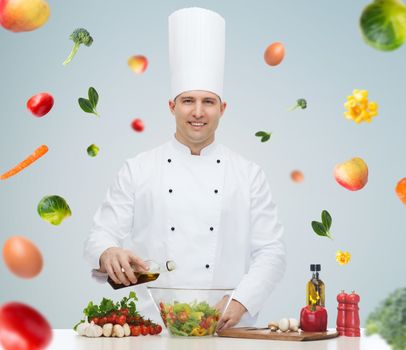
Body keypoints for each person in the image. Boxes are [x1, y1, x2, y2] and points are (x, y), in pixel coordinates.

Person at [84, 7, 286, 331]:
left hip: (226, 326)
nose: (197, 112)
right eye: (187, 100)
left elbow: (272, 251)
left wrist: (242, 299)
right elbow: (100, 234)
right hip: (152, 327)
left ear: (222, 109)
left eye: (208, 102)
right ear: (171, 106)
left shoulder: (248, 174)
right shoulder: (137, 169)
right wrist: (107, 251)